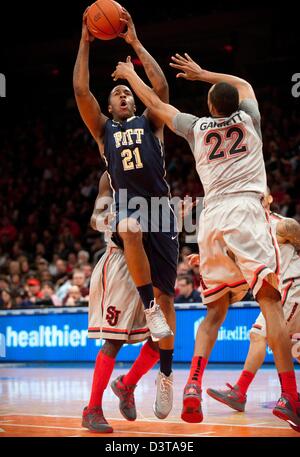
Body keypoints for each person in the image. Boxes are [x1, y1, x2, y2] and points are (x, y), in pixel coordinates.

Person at [111, 53, 300, 431]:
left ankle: (193, 385)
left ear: (211, 107)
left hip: (209, 217)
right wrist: (203, 74)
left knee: (214, 313)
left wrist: (131, 76)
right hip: (246, 209)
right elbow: (243, 85)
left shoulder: (196, 128)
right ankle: (290, 397)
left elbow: (158, 105)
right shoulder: (250, 119)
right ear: (235, 105)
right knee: (270, 303)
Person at [74, 9, 178, 420]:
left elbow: (162, 87)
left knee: (167, 330)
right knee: (130, 226)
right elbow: (82, 91)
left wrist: (134, 43)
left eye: (127, 93)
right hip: (131, 219)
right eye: (117, 93)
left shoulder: (151, 123)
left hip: (164, 216)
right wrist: (85, 40)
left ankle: (133, 382)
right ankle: (92, 408)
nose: (124, 95)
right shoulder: (104, 132)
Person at [206, 190, 300, 413]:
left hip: (291, 288)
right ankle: (240, 392)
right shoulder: (246, 235)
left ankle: (246, 392)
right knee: (274, 341)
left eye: (260, 195)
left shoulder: (282, 225)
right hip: (278, 293)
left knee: (262, 335)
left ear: (269, 199)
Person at [82, 171, 160, 433]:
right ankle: (92, 409)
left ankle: (127, 385)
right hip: (120, 263)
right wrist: (114, 221)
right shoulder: (109, 176)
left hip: (150, 264)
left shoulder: (153, 171)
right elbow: (95, 219)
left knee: (161, 338)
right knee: (114, 341)